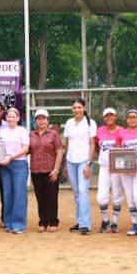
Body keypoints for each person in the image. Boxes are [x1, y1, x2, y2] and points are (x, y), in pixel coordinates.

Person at [63, 98, 96, 235]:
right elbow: (67, 143)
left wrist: (89, 163)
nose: (77, 110)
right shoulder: (69, 123)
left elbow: (92, 144)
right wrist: (65, 162)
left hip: (84, 161)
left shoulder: (90, 123)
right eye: (74, 108)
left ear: (84, 108)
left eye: (79, 107)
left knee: (83, 191)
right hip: (71, 161)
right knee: (77, 193)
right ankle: (80, 220)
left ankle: (85, 225)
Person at [116, 108, 137, 239]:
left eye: (135, 117)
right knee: (130, 198)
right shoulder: (122, 132)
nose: (132, 119)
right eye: (130, 117)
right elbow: (118, 150)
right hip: (126, 169)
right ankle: (135, 224)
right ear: (126, 119)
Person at [28, 108, 64, 233]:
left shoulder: (53, 134)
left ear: (48, 120)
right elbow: (26, 150)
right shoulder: (31, 134)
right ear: (35, 121)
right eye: (38, 119)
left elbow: (59, 151)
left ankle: (53, 221)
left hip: (51, 170)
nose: (41, 121)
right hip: (36, 170)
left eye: (43, 118)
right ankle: (43, 221)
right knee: (40, 197)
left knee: (52, 197)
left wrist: (56, 169)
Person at [0, 106, 30, 234]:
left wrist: (10, 157)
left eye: (13, 116)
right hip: (4, 165)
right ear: (6, 118)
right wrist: (0, 158)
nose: (11, 118)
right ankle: (8, 223)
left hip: (19, 164)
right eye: (9, 116)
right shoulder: (2, 131)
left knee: (19, 194)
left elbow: (25, 149)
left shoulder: (22, 130)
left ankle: (18, 224)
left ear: (18, 118)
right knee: (7, 194)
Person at [95, 107, 124, 233]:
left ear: (116, 117)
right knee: (102, 196)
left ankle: (115, 222)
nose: (109, 117)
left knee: (117, 195)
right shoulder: (100, 131)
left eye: (111, 115)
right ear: (104, 118)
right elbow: (97, 146)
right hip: (104, 166)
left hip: (117, 166)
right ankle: (105, 220)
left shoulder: (122, 131)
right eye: (107, 115)